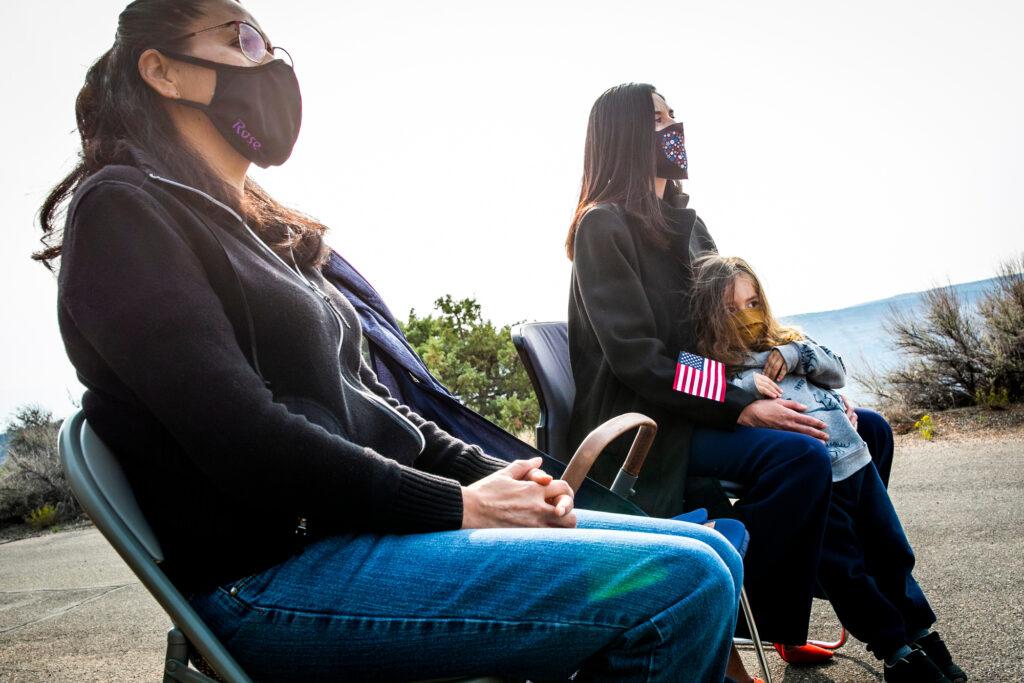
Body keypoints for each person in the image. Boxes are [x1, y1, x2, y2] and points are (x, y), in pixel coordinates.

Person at [37, 1, 747, 680]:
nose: (271, 65)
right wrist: (460, 506)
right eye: (241, 39)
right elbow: (247, 440)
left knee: (712, 550)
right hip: (273, 574)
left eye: (271, 44)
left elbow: (377, 408)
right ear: (162, 71)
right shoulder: (123, 212)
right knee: (682, 584)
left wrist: (497, 476)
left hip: (358, 535)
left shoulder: (255, 231)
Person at [565, 83, 897, 679]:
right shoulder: (602, 227)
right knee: (801, 457)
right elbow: (640, 358)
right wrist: (737, 402)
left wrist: (815, 390)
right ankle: (738, 613)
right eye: (659, 119)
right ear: (625, 136)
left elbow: (732, 332)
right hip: (650, 419)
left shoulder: (689, 227)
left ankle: (799, 605)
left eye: (674, 115)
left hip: (701, 400)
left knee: (866, 428)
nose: (675, 129)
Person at [689, 254, 966, 683]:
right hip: (818, 476)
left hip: (854, 463)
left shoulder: (790, 341)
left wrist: (796, 353)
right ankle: (896, 650)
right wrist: (743, 389)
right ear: (709, 313)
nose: (746, 316)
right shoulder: (712, 363)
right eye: (730, 309)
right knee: (845, 566)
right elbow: (685, 379)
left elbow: (836, 370)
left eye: (752, 303)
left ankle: (920, 629)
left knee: (890, 549)